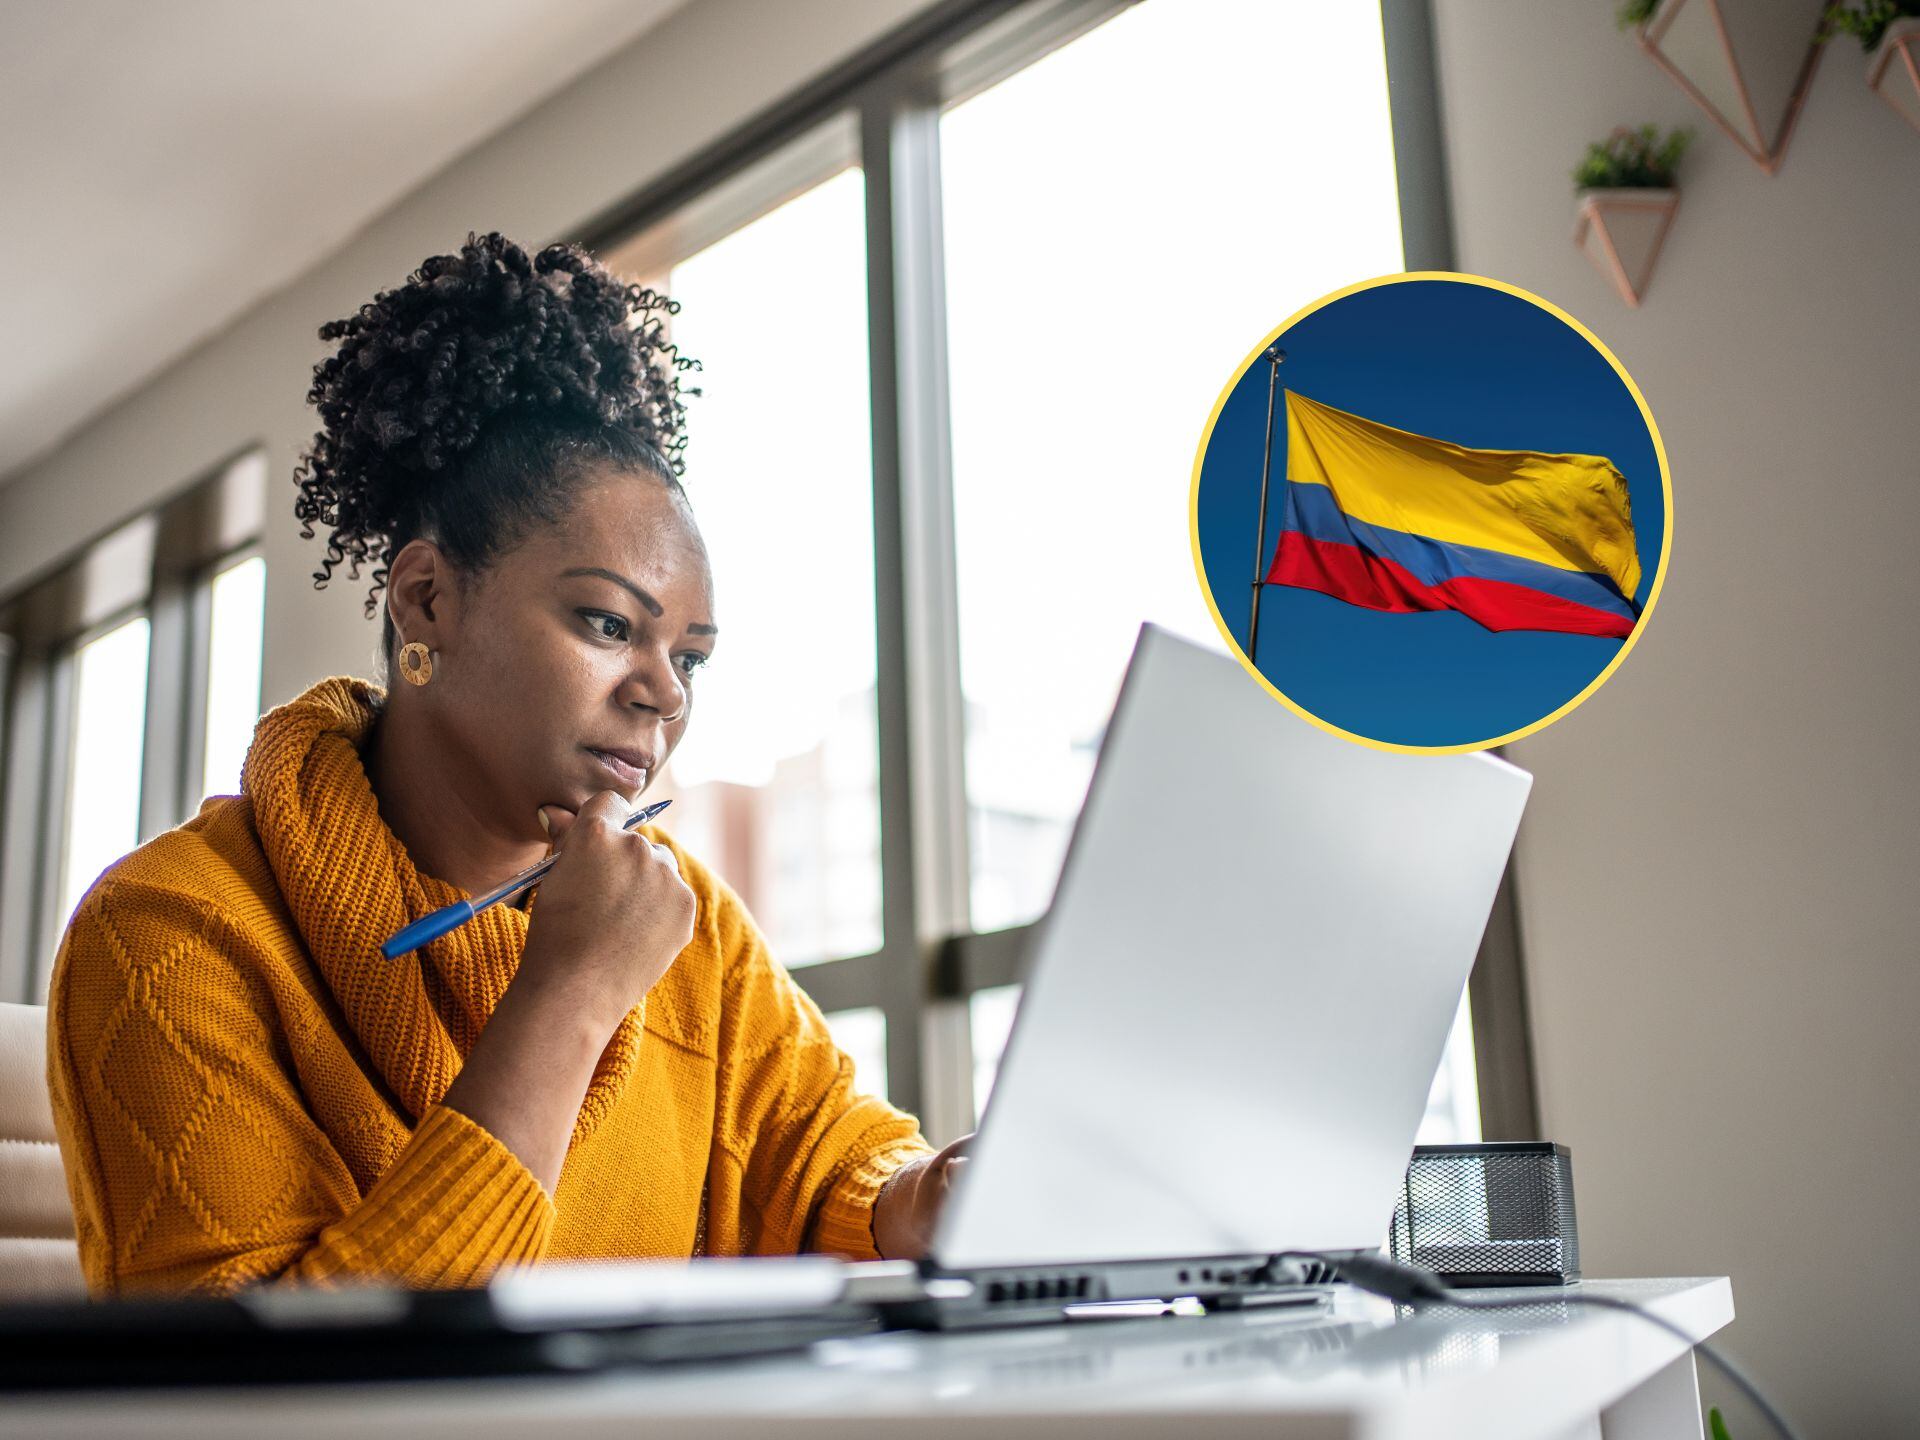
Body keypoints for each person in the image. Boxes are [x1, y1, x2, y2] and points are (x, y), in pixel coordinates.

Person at [44, 232, 968, 1295]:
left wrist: (922, 1195)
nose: (664, 692)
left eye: (692, 659)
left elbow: (826, 1162)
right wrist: (570, 994)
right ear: (427, 599)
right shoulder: (170, 933)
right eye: (608, 623)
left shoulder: (689, 926)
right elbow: (264, 1407)